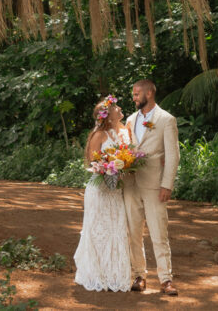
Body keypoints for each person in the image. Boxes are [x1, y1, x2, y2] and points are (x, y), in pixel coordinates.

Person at [123, 79, 180, 296]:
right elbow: (125, 149)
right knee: (133, 233)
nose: (134, 97)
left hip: (155, 184)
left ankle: (165, 279)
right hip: (130, 183)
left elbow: (173, 155)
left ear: (149, 93)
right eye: (134, 94)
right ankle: (139, 275)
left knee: (159, 232)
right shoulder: (129, 119)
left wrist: (167, 184)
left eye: (137, 94)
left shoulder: (166, 120)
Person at [73, 95, 133, 292]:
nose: (120, 109)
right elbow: (92, 162)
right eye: (116, 108)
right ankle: (97, 273)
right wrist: (107, 168)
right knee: (99, 231)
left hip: (117, 191)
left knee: (116, 230)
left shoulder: (125, 131)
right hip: (100, 189)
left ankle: (115, 274)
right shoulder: (98, 135)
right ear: (107, 115)